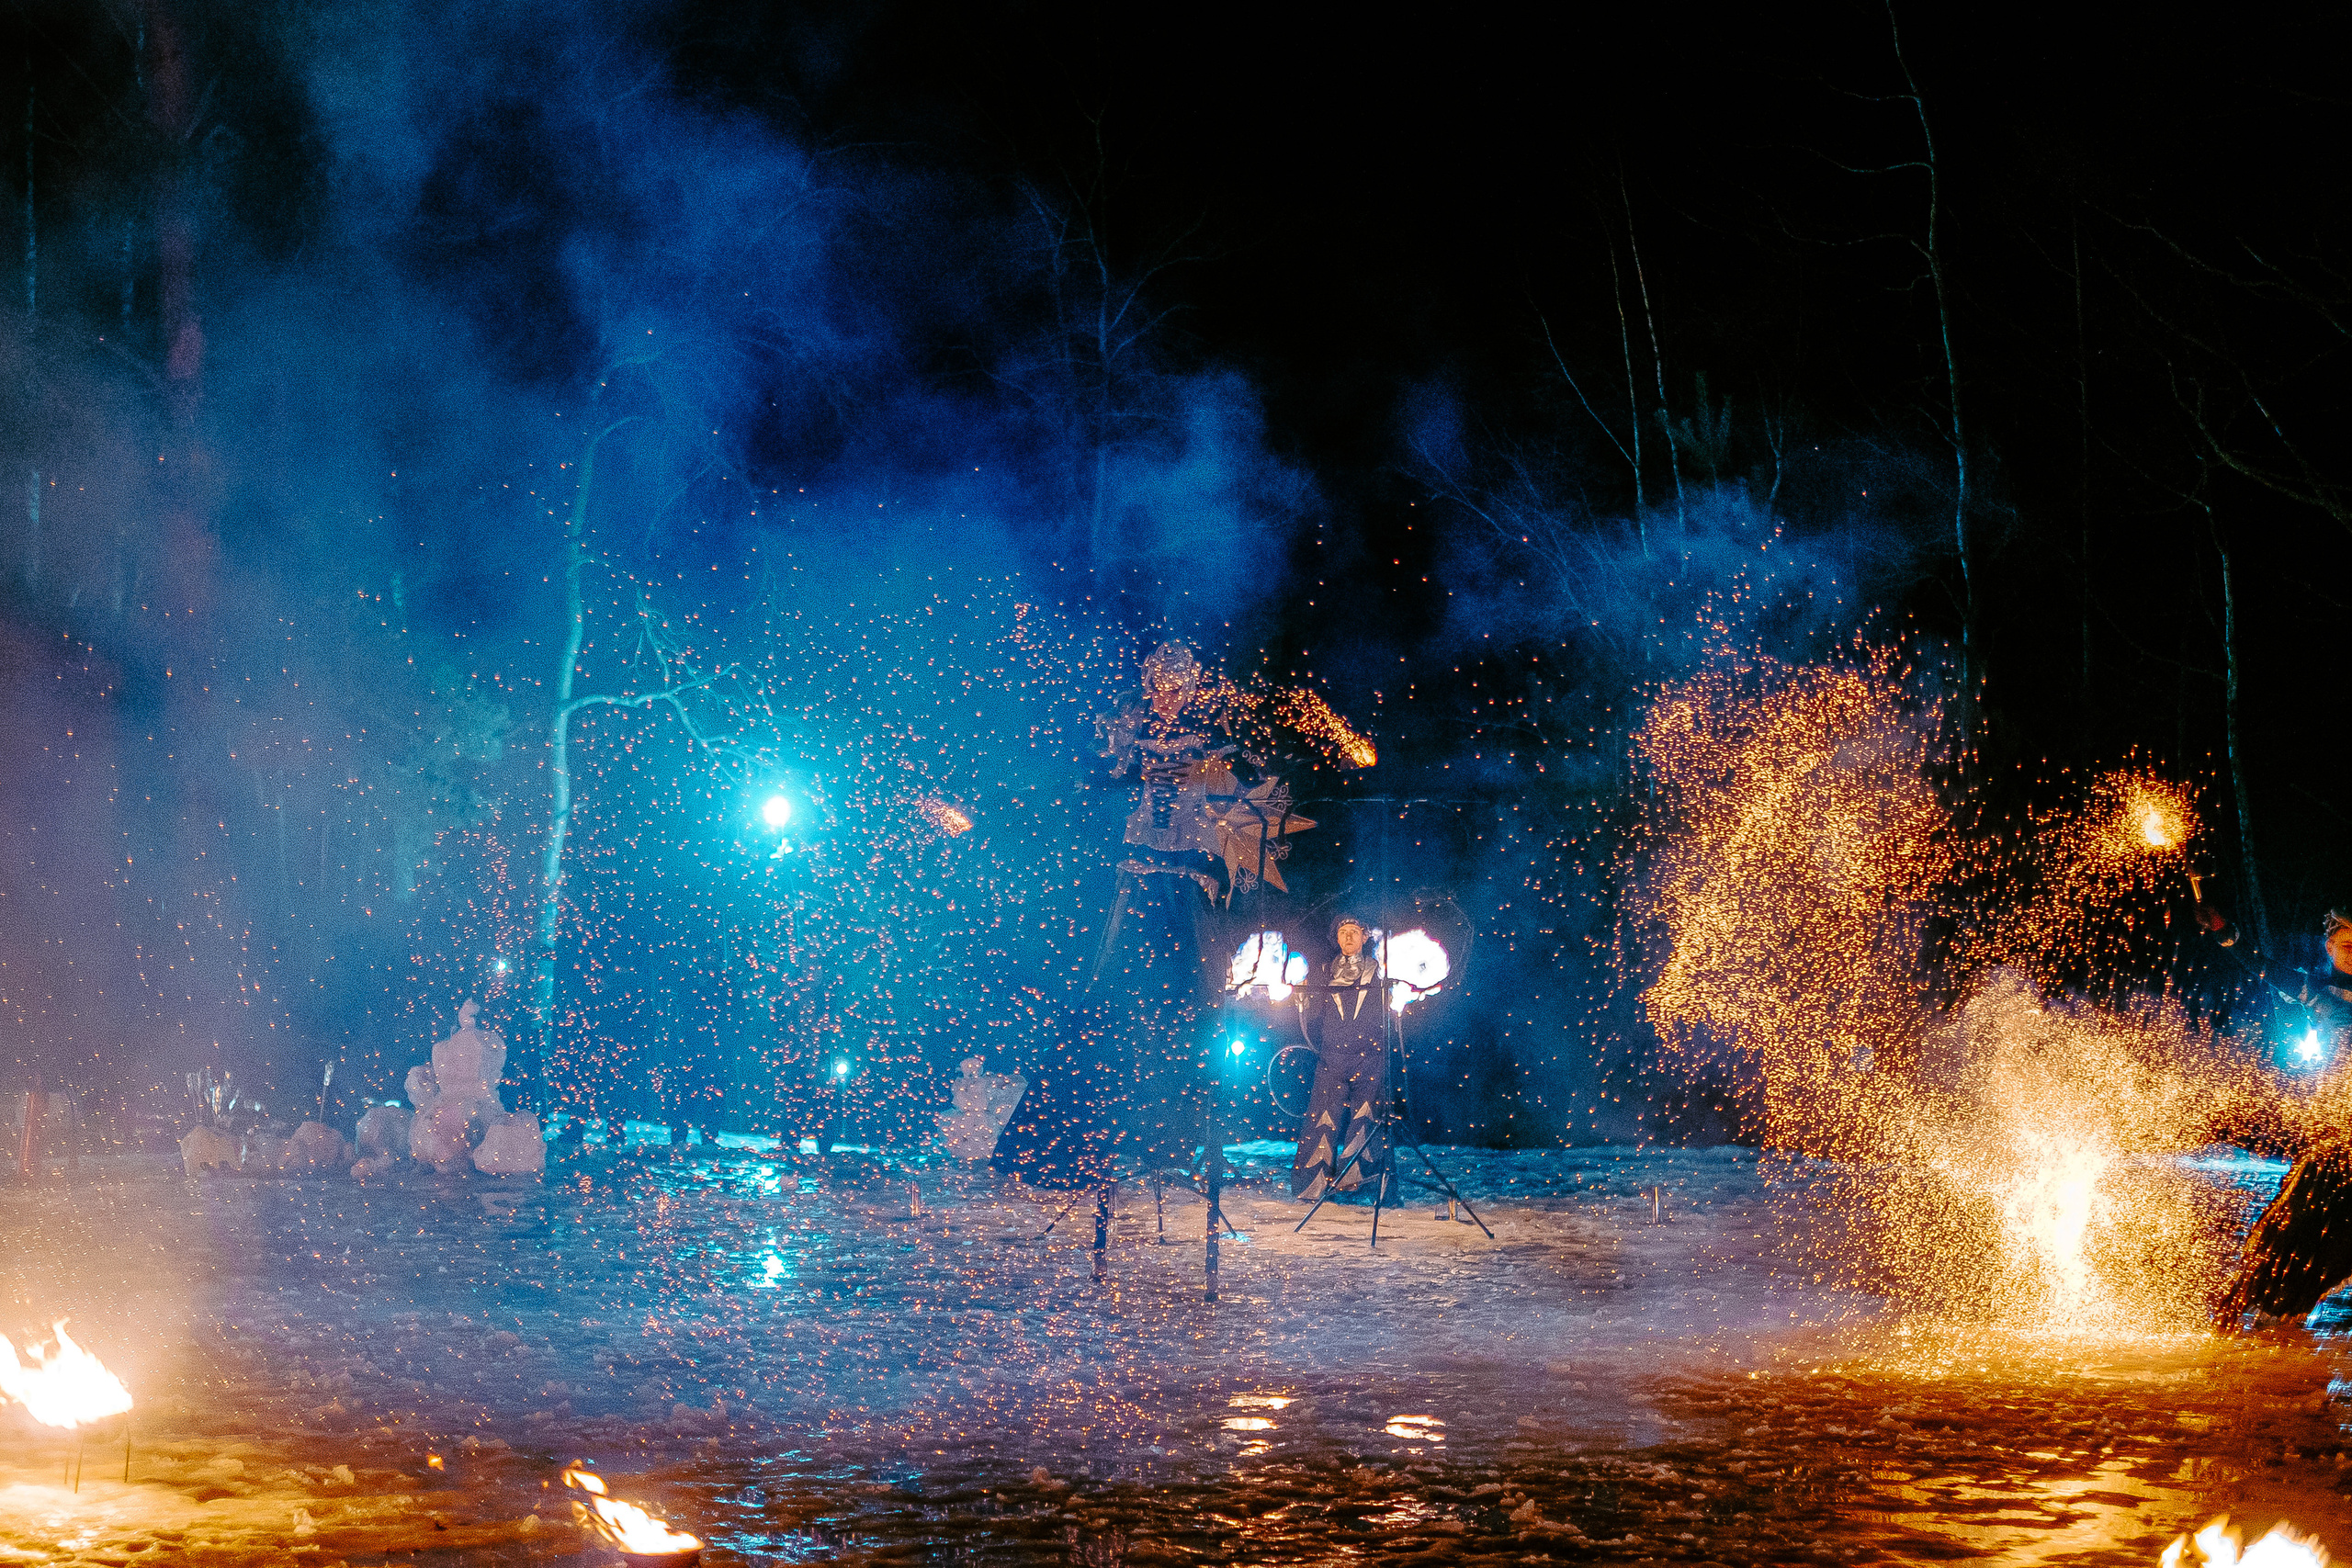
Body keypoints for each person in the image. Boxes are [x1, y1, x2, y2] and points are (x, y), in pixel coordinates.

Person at [993, 642, 1283, 1190]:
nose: (1169, 693)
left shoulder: (1210, 734)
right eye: (1161, 682)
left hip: (1188, 877)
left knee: (1188, 1003)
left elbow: (1249, 783)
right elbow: (1099, 780)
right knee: (1113, 998)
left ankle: (1171, 1138)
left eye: (1179, 683)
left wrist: (1216, 772)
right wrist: (1134, 771)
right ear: (1152, 684)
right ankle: (1073, 1139)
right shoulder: (1127, 727)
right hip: (1141, 874)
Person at [2216, 908, 2352, 1325]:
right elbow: (2267, 968)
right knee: (2300, 1223)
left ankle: (2280, 1309)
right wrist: (2228, 934)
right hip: (2337, 1130)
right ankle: (2266, 1311)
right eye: (2348, 945)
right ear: (2329, 948)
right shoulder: (2319, 990)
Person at [1289, 914, 1392, 1201]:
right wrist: (1299, 997)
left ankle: (1363, 1187)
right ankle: (1312, 1187)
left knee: (1366, 1120)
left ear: (1365, 937)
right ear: (1336, 938)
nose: (1348, 938)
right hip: (1332, 1058)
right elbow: (1309, 1009)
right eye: (1343, 932)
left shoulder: (1381, 972)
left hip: (1369, 1057)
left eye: (1354, 932)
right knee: (1321, 1120)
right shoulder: (1322, 972)